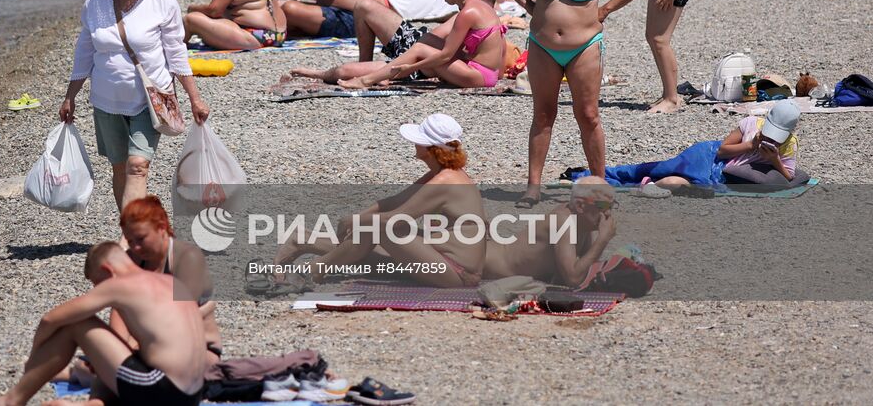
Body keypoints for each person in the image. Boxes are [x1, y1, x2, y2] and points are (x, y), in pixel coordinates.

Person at [497, 0, 647, 206]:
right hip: (542, 45)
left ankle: (599, 186)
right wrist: (527, 4)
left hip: (585, 46)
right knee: (543, 114)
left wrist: (604, 10)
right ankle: (533, 188)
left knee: (589, 115)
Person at [62, 0, 210, 209]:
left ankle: (134, 238)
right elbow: (84, 50)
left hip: (149, 99)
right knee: (119, 168)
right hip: (107, 100)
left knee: (138, 166)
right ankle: (131, 234)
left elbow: (176, 52)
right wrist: (70, 96)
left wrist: (195, 98)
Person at [0, 243, 207, 406]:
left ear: (107, 270)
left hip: (164, 392)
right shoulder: (167, 281)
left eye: (96, 283)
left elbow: (50, 318)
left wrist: (33, 360)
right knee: (110, 356)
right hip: (193, 395)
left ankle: (12, 401)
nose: (98, 290)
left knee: (78, 323)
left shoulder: (120, 284)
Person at [271, 113, 486, 287]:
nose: (413, 144)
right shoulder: (444, 173)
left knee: (374, 231)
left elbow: (395, 219)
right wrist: (357, 218)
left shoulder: (445, 180)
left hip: (458, 274)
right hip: (442, 258)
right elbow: (394, 201)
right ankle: (304, 242)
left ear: (430, 148)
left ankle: (314, 269)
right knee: (365, 245)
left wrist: (354, 221)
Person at [288, 0, 506, 89]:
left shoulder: (467, 12)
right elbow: (499, 50)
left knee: (419, 48)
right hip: (481, 73)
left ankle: (366, 80)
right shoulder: (479, 8)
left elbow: (445, 54)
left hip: (476, 76)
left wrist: (409, 67)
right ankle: (374, 74)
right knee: (421, 45)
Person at [576, 100, 808, 190]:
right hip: (710, 155)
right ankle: (592, 174)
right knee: (659, 167)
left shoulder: (789, 144)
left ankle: (632, 185)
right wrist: (751, 146)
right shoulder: (750, 124)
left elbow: (788, 176)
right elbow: (723, 150)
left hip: (720, 172)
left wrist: (773, 159)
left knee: (680, 184)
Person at [121, 197, 221, 364]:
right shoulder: (133, 258)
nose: (135, 247)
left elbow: (181, 314)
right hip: (147, 343)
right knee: (86, 364)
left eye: (141, 239)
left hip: (196, 348)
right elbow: (120, 307)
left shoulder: (187, 258)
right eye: (130, 241)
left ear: (161, 228)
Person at [482, 176, 616, 285]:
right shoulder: (563, 221)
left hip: (489, 255)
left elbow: (587, 266)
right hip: (485, 261)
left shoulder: (582, 221)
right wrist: (602, 240)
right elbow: (573, 279)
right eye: (602, 206)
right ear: (580, 205)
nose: (608, 212)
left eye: (611, 206)